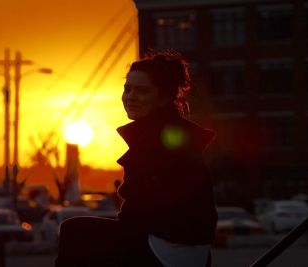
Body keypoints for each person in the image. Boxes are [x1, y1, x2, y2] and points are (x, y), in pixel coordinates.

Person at [55, 50, 217, 267]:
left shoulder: (155, 138)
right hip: (190, 250)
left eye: (142, 91)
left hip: (167, 249)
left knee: (73, 231)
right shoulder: (170, 132)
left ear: (164, 97)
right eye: (127, 89)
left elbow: (142, 211)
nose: (130, 97)